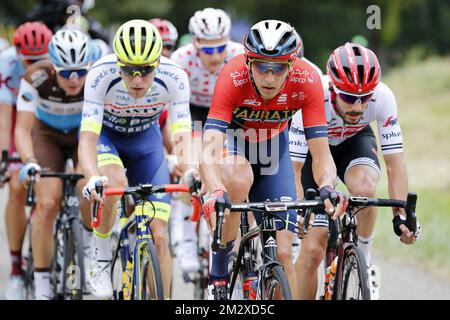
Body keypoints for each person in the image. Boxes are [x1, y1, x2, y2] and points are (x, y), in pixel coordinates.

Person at [198, 19, 347, 300]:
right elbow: (209, 147)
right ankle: (218, 272)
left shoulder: (308, 80)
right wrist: (216, 190)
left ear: (291, 64)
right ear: (247, 63)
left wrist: (327, 184)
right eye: (260, 66)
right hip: (235, 145)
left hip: (273, 150)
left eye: (278, 67)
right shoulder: (232, 76)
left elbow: (321, 152)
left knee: (282, 254)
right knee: (239, 178)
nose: (269, 77)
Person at [289, 42, 422, 300]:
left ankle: (364, 255)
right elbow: (294, 169)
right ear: (332, 88)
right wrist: (300, 212)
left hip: (354, 142)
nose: (358, 107)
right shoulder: (312, 95)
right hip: (313, 149)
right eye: (349, 98)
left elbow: (395, 163)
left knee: (365, 190)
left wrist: (401, 215)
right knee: (313, 249)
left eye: (365, 98)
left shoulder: (383, 97)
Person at [78, 19, 197, 299]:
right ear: (118, 63)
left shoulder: (176, 76)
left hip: (147, 142)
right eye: (129, 71)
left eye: (146, 70)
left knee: (159, 234)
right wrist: (92, 175)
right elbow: (87, 141)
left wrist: (191, 168)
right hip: (108, 138)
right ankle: (101, 251)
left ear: (158, 62)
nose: (137, 80)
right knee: (112, 181)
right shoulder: (99, 75)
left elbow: (182, 135)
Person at [14, 28, 91, 300]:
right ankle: (43, 280)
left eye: (80, 72)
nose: (74, 79)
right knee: (47, 203)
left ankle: (90, 247)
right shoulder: (36, 76)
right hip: (47, 137)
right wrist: (30, 161)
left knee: (88, 189)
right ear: (52, 66)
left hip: (83, 135)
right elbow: (22, 130)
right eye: (66, 72)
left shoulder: (96, 77)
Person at [169, 7, 244, 273]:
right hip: (192, 112)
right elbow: (174, 111)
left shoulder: (238, 55)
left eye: (219, 48)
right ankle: (187, 238)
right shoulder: (182, 59)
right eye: (208, 50)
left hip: (228, 113)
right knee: (190, 167)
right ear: (195, 44)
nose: (215, 56)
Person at [0, 21, 53, 300]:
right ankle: (17, 270)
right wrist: (5, 161)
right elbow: (5, 118)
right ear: (19, 55)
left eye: (39, 59)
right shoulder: (7, 65)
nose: (34, 65)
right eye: (29, 60)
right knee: (18, 187)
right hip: (15, 125)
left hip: (46, 124)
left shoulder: (57, 61)